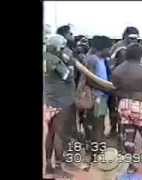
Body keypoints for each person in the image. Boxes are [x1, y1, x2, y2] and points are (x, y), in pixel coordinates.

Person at [112, 43, 142, 174]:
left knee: (129, 136)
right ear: (141, 55)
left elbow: (114, 88)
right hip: (141, 105)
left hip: (124, 105)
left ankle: (131, 165)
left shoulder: (117, 71)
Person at [44, 34, 77, 178]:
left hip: (48, 101)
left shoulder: (44, 57)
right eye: (62, 47)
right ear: (57, 47)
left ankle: (48, 166)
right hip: (61, 101)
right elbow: (67, 76)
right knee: (59, 134)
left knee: (50, 133)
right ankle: (58, 167)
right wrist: (70, 62)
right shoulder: (56, 60)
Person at [85, 36, 113, 146]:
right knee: (97, 123)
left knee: (100, 122)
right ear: (102, 48)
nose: (110, 51)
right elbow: (90, 80)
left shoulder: (103, 60)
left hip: (102, 96)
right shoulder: (92, 59)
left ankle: (99, 145)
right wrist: (106, 89)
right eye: (109, 48)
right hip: (96, 96)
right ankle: (96, 149)